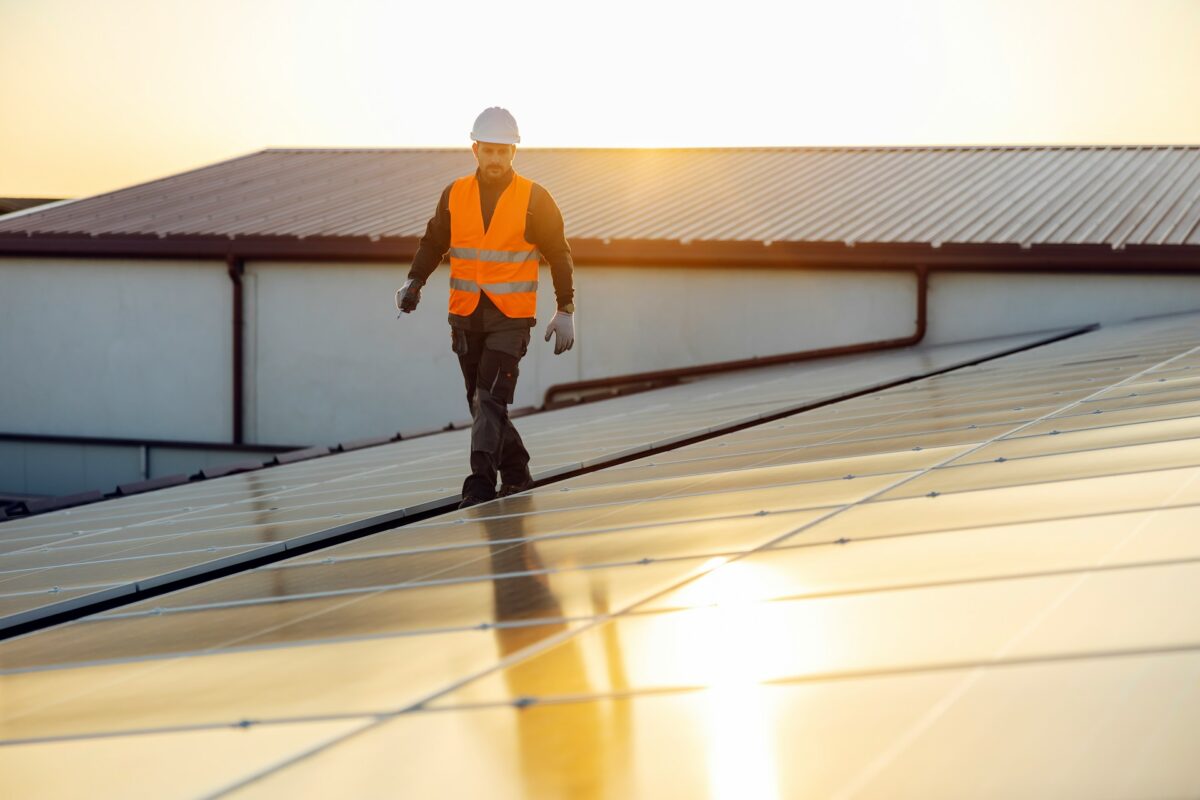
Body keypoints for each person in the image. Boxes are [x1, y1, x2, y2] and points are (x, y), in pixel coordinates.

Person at [396, 107, 576, 508]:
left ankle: (479, 485)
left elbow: (559, 255)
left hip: (511, 319)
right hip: (465, 316)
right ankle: (517, 472)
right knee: (480, 403)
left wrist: (565, 308)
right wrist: (414, 280)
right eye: (489, 150)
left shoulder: (535, 199)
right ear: (474, 149)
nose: (495, 159)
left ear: (515, 152)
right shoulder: (454, 194)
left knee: (490, 399)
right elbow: (433, 242)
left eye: (503, 151)